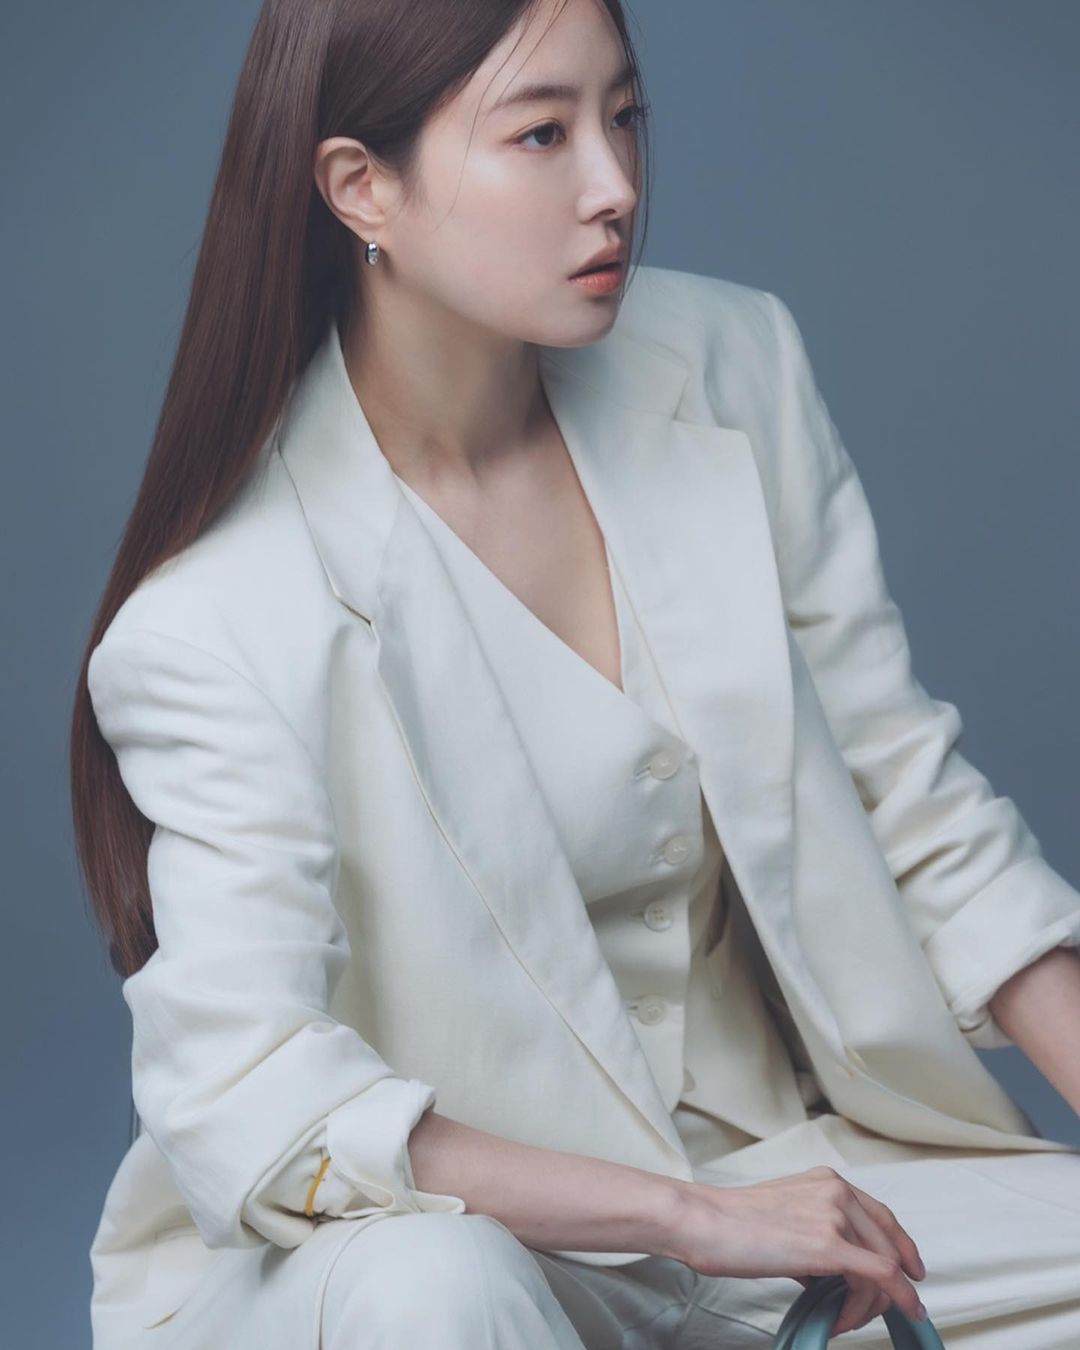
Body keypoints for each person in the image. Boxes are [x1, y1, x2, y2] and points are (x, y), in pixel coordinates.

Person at [71, 1, 1080, 1346]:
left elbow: (915, 810)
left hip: (792, 1179)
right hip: (458, 1235)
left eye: (626, 116)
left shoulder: (728, 369)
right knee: (438, 1290)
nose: (615, 187)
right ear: (361, 187)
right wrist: (683, 1216)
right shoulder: (218, 617)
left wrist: (738, 1211)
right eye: (542, 134)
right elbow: (254, 1100)